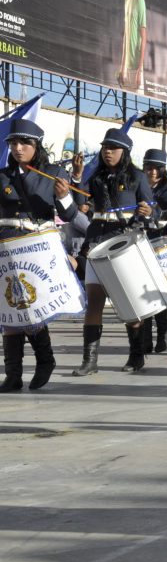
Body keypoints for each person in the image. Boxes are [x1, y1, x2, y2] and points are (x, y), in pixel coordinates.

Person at [0, 119, 80, 392]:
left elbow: (70, 216)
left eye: (24, 143)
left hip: (38, 247)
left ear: (37, 146)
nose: (18, 148)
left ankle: (45, 360)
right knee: (9, 311)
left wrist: (66, 196)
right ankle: (13, 375)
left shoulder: (55, 173)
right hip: (8, 246)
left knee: (30, 309)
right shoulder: (2, 175)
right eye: (13, 143)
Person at [70, 128, 155, 376]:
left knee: (129, 301)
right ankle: (90, 360)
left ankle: (136, 354)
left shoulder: (138, 177)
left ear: (124, 152)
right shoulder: (95, 176)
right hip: (97, 243)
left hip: (124, 244)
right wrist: (76, 178)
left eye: (113, 148)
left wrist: (150, 213)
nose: (107, 152)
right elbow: (78, 206)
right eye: (105, 147)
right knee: (94, 301)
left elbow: (154, 210)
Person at [140, 148, 167, 355]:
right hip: (141, 242)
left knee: (160, 289)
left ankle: (163, 331)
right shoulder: (138, 185)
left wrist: (154, 213)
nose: (152, 172)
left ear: (163, 170)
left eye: (156, 168)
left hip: (163, 243)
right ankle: (145, 338)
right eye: (149, 168)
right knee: (142, 290)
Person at [119, 0, 147, 92]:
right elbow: (126, 34)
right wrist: (122, 67)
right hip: (127, 68)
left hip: (135, 69)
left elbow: (144, 37)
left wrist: (139, 71)